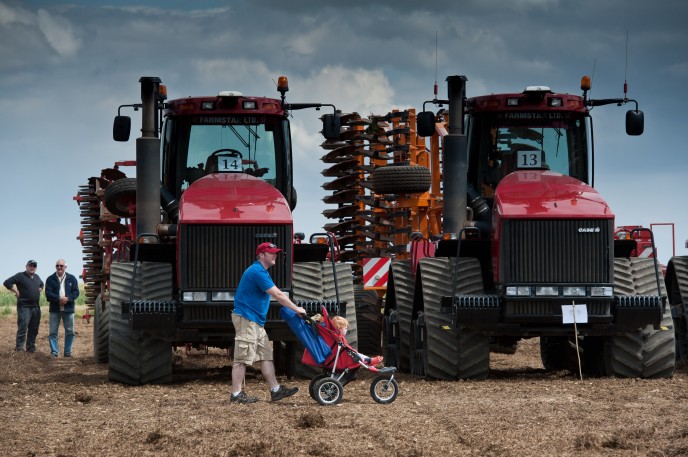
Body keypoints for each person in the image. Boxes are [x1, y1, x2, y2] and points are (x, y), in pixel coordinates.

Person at [230, 242, 307, 404]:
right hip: (247, 319)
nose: (275, 255)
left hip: (255, 321)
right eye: (271, 252)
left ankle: (276, 390)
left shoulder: (262, 272)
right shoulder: (257, 271)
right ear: (261, 255)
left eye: (276, 252)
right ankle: (236, 394)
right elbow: (278, 294)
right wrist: (296, 309)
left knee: (265, 355)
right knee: (242, 357)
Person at [3, 260, 44, 352]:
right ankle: (19, 349)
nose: (32, 267)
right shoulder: (20, 276)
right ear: (26, 266)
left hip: (36, 307)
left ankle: (30, 348)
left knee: (34, 329)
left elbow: (42, 284)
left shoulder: (37, 277)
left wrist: (38, 290)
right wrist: (16, 291)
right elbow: (7, 282)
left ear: (36, 268)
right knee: (23, 328)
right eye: (30, 265)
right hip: (24, 307)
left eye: (34, 266)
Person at [44, 259, 80, 358]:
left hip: (68, 309)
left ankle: (67, 352)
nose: (59, 267)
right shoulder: (50, 279)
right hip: (54, 309)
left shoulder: (72, 278)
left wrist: (67, 299)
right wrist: (58, 299)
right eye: (57, 266)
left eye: (61, 266)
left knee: (70, 331)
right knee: (52, 332)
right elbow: (48, 293)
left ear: (65, 267)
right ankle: (54, 352)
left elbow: (76, 292)